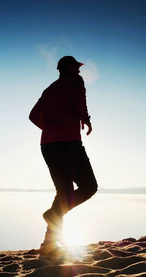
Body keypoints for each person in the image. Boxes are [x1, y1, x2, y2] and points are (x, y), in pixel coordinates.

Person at [29, 55, 98, 255]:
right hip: (68, 143)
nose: (79, 71)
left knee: (63, 192)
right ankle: (52, 215)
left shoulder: (48, 89)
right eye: (76, 67)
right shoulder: (75, 81)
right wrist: (85, 120)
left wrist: (51, 128)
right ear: (68, 68)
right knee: (89, 187)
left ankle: (48, 244)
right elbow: (80, 101)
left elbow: (33, 115)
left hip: (48, 145)